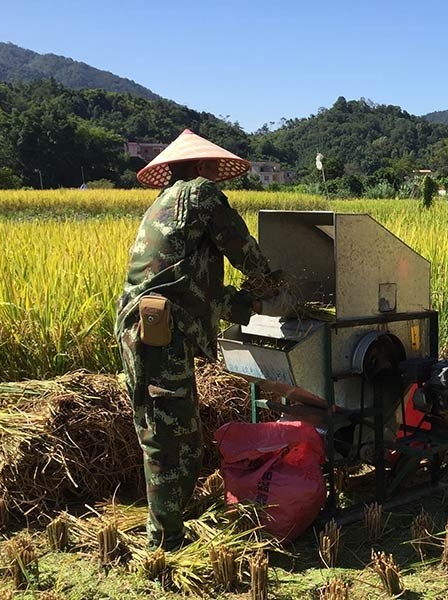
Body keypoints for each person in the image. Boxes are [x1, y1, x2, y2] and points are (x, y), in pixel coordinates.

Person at [115, 129, 295, 551]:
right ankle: (165, 544)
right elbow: (243, 251)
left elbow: (200, 290)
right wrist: (272, 282)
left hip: (159, 329)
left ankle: (181, 516)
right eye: (213, 166)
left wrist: (249, 302)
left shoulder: (170, 205)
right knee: (165, 437)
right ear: (199, 167)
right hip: (155, 331)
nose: (217, 173)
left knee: (187, 433)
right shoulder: (199, 193)